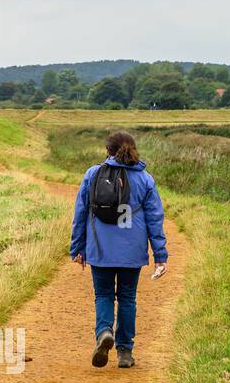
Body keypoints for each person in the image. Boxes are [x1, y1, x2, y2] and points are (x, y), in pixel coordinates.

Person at [69, 131, 168, 370]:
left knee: (103, 295)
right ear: (133, 149)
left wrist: (77, 247)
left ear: (108, 151)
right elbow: (155, 219)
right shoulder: (145, 179)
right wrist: (160, 255)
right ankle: (125, 352)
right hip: (132, 251)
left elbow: (80, 213)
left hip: (100, 248)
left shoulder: (92, 174)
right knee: (127, 298)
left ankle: (104, 332)